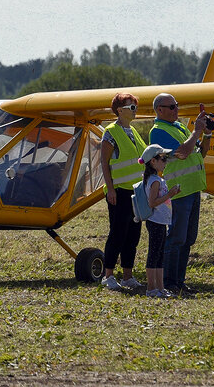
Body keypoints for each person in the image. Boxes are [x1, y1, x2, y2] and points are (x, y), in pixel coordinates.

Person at [147, 93, 212, 297]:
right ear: (160, 110)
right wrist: (196, 131)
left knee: (188, 238)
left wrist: (206, 134)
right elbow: (183, 152)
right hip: (179, 191)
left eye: (177, 106)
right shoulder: (157, 131)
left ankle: (179, 282)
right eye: (172, 106)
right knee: (176, 237)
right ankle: (169, 282)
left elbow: (199, 153)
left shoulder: (179, 127)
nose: (176, 110)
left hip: (192, 188)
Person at [97, 92, 145, 291]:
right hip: (119, 191)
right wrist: (110, 190)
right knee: (117, 233)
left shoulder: (132, 132)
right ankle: (108, 275)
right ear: (120, 110)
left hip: (136, 192)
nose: (135, 110)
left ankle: (127, 276)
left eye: (135, 106)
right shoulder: (111, 132)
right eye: (131, 107)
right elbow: (104, 162)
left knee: (133, 235)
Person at [139, 143, 178, 298]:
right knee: (154, 255)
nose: (165, 161)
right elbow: (152, 202)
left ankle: (160, 288)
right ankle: (151, 288)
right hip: (155, 221)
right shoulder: (154, 181)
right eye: (162, 158)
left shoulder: (157, 179)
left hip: (161, 221)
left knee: (160, 255)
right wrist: (170, 195)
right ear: (153, 162)